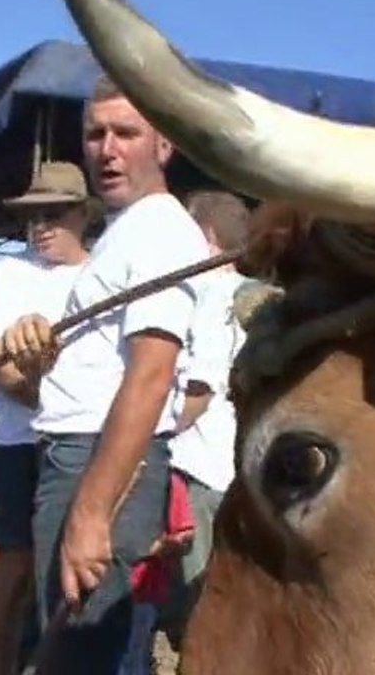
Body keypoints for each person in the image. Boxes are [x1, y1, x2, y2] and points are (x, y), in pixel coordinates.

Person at [1, 76, 210, 673]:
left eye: (126, 133)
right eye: (95, 134)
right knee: (76, 646)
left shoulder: (161, 230)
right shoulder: (126, 233)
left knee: (82, 651)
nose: (107, 149)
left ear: (163, 145)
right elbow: (99, 362)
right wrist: (39, 342)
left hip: (101, 463)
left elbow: (151, 376)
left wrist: (92, 513)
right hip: (79, 455)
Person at [0, 162, 96, 675]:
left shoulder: (105, 273)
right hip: (18, 443)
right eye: (33, 216)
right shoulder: (10, 271)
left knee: (66, 570)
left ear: (83, 215)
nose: (41, 225)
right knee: (12, 569)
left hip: (81, 445)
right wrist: (53, 397)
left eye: (54, 214)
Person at [159, 191, 251, 651]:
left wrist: (151, 433)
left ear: (207, 238)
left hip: (198, 462)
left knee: (194, 596)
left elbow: (201, 384)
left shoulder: (209, 295)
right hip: (236, 463)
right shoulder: (258, 297)